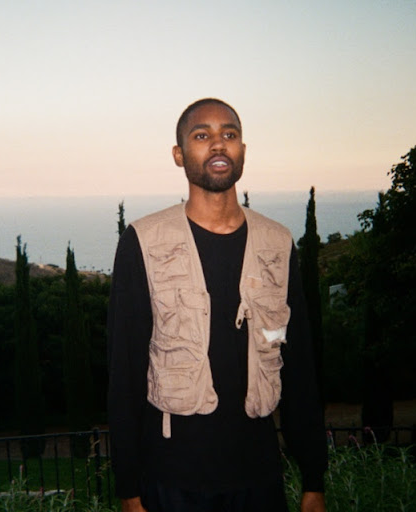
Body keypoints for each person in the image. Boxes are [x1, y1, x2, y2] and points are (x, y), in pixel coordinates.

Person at [107, 98, 328, 512]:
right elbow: (125, 371)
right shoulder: (144, 242)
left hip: (259, 477)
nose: (218, 143)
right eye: (201, 135)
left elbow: (298, 364)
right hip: (171, 479)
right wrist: (129, 489)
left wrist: (314, 479)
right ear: (179, 155)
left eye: (229, 134)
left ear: (242, 150)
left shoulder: (277, 244)